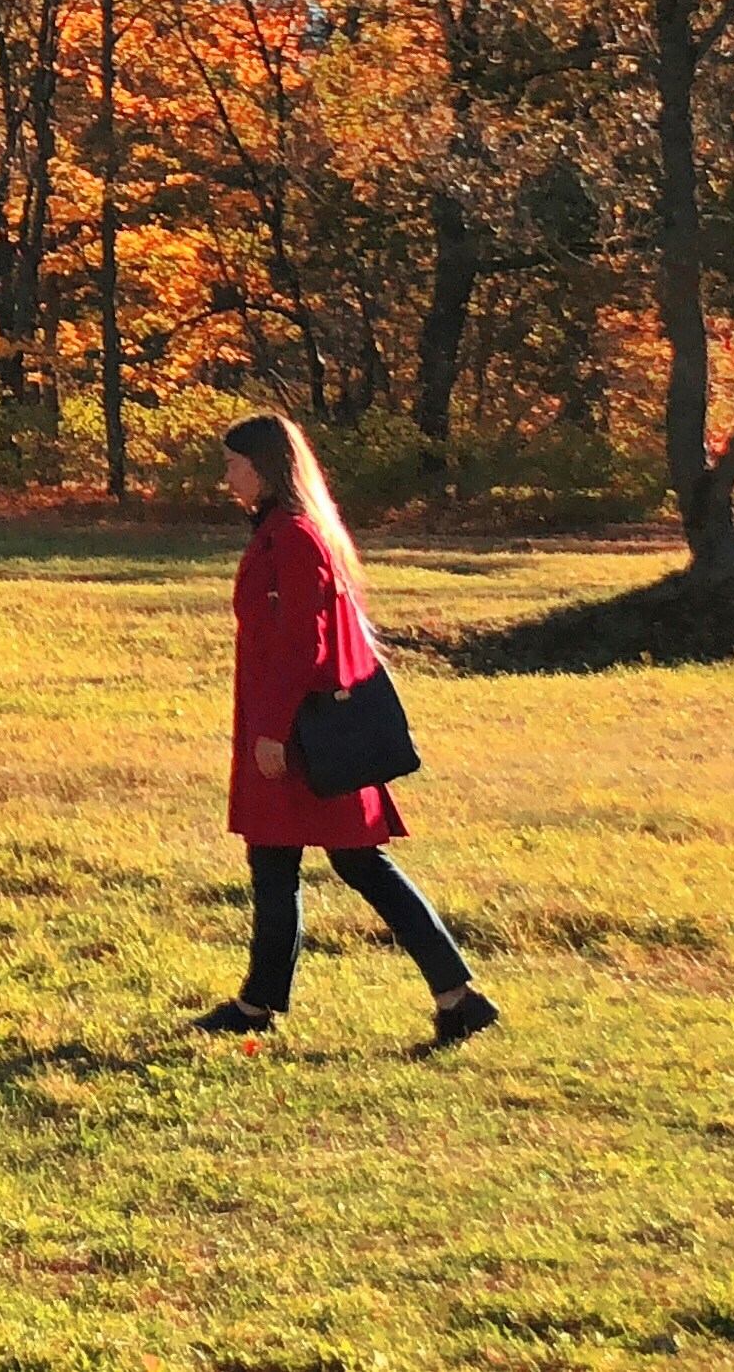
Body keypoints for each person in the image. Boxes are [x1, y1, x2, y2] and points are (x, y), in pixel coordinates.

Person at [197, 411, 500, 1049]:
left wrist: (273, 732)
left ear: (264, 468)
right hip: (291, 726)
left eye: (233, 464)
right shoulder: (281, 532)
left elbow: (304, 646)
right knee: (280, 861)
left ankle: (457, 996)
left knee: (356, 862)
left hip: (304, 733)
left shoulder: (296, 537)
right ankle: (261, 1003)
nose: (227, 476)